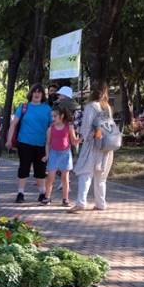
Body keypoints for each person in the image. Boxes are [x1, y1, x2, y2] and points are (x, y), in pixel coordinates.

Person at [70, 83, 115, 213]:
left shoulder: (91, 106)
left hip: (92, 145)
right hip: (106, 146)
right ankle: (101, 203)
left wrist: (82, 137)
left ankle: (81, 202)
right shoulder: (107, 107)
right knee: (101, 177)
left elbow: (86, 127)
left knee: (85, 173)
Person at [5, 83, 52, 204]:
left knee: (40, 169)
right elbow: (13, 124)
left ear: (42, 95)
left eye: (39, 92)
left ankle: (42, 193)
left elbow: (52, 127)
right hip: (24, 142)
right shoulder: (23, 107)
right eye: (35, 92)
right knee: (24, 167)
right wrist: (9, 140)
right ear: (31, 94)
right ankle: (20, 193)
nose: (37, 94)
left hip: (42, 144)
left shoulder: (47, 109)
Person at [43, 107, 78, 206]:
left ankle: (65, 199)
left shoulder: (69, 127)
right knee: (50, 177)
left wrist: (80, 139)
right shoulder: (51, 128)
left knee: (65, 178)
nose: (53, 118)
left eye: (55, 116)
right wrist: (47, 155)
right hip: (54, 153)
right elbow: (48, 143)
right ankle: (47, 197)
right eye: (52, 116)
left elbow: (73, 141)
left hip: (65, 154)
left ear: (62, 116)